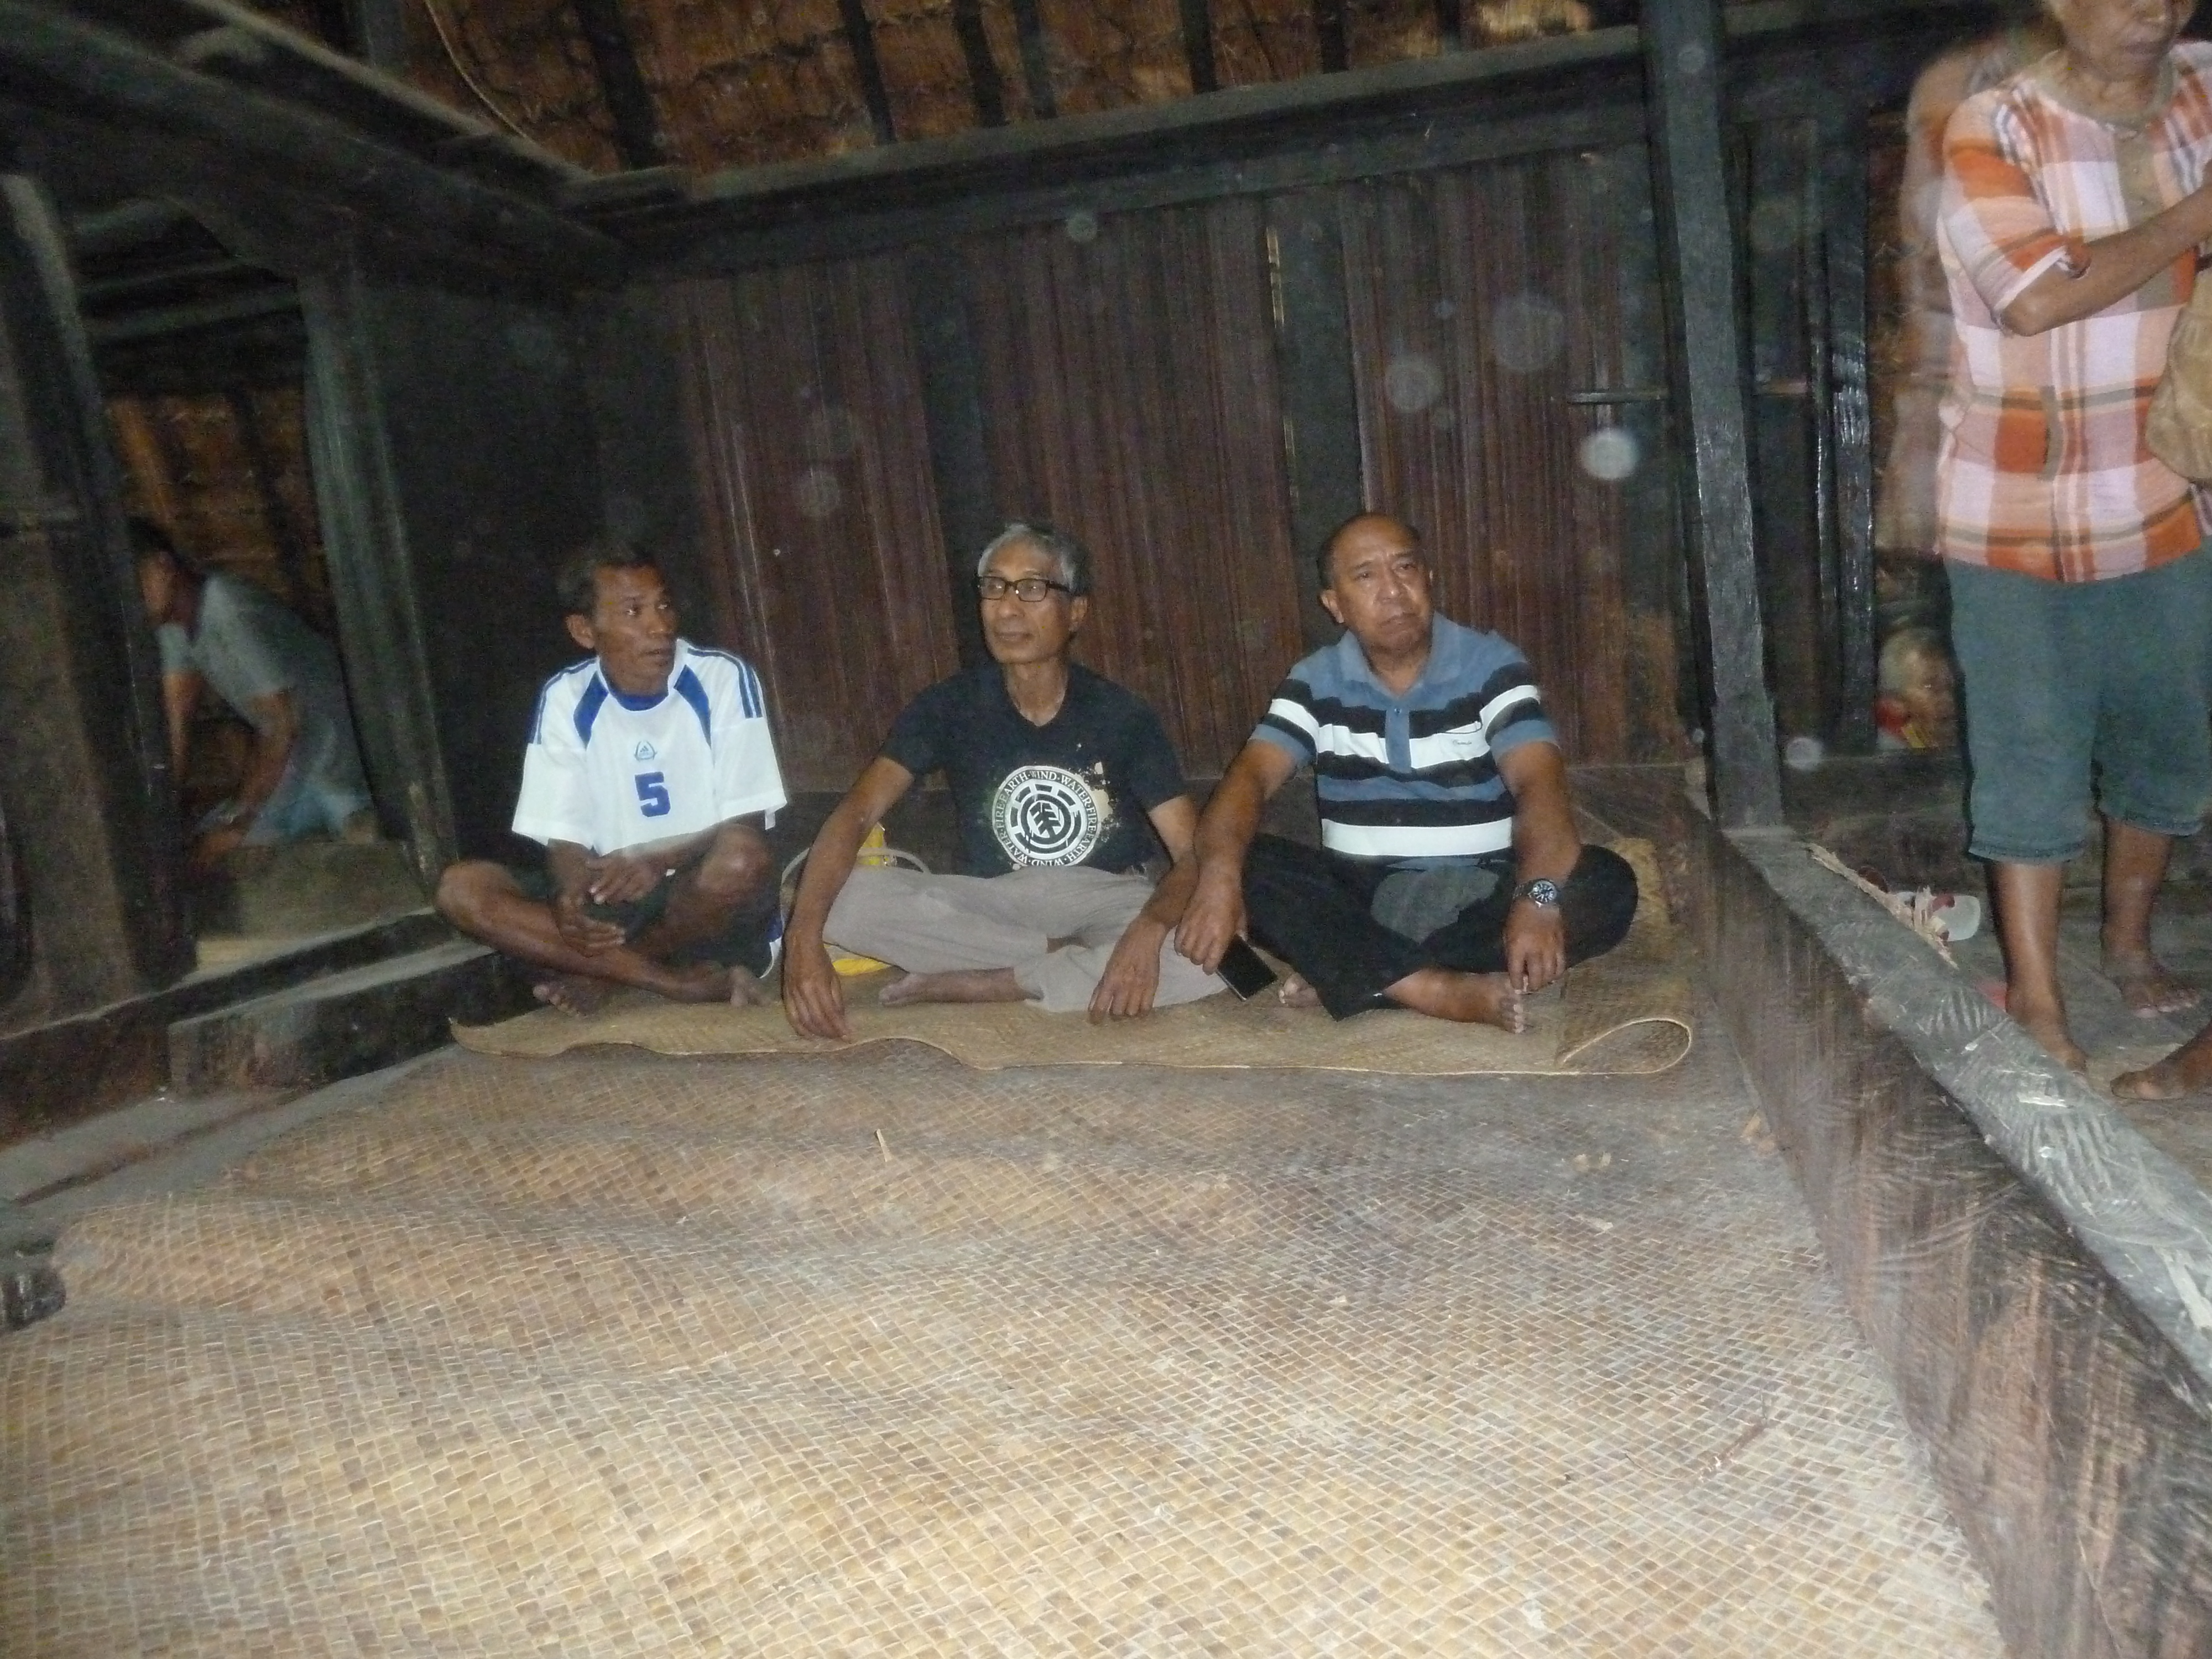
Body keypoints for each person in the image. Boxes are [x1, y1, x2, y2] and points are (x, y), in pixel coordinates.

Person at [1936, 0, 2212, 1071]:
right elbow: (2036, 299)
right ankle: (2037, 997)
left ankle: (2128, 945)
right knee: (2028, 755)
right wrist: (2196, 219)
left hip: (2170, 491)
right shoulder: (1994, 126)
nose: (2151, 5)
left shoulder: (2201, 94)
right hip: (2017, 505)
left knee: (2166, 744)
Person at [1173, 513, 1637, 1032]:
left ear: (1429, 579)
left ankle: (1367, 977)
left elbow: (1540, 783)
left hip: (1481, 891)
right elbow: (1250, 778)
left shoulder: (1488, 665)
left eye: (1405, 568)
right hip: (1359, 898)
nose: (1393, 591)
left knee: (1606, 883)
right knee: (1246, 863)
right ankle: (1431, 987)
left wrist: (1538, 897)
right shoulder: (1316, 681)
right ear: (1335, 604)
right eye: (1365, 576)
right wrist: (1219, 877)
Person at [782, 521, 1224, 1039]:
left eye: (1031, 588)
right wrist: (801, 941)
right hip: (995, 902)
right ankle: (1054, 962)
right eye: (994, 587)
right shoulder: (949, 706)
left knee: (1216, 962)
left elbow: (1192, 853)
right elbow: (856, 813)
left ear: (1076, 612)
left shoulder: (1122, 715)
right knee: (842, 902)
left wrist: (1148, 931)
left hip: (1107, 897)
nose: (1007, 609)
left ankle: (996, 981)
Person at [436, 544, 786, 1013]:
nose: (660, 626)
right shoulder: (566, 697)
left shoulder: (721, 678)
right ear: (585, 631)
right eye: (634, 612)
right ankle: (666, 981)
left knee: (741, 858)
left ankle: (606, 972)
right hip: (618, 898)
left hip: (699, 896)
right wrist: (571, 894)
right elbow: (564, 837)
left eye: (663, 605)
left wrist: (657, 857)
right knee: (462, 889)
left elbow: (748, 818)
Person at [133, 520, 375, 868]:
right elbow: (176, 723)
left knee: (219, 859)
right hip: (294, 771)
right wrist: (159, 818)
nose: (132, 601)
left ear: (163, 566)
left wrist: (239, 822)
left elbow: (282, 725)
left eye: (137, 582)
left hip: (329, 768)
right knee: (194, 850)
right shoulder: (175, 628)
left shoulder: (227, 608)